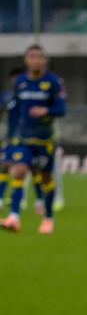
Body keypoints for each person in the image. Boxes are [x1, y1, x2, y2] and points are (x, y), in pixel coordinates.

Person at [1, 45, 67, 235]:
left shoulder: (54, 82)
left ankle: (48, 217)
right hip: (24, 138)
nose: (36, 60)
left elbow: (62, 109)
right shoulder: (20, 82)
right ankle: (14, 217)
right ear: (26, 60)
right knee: (19, 170)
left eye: (39, 57)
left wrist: (45, 111)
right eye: (32, 56)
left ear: (45, 61)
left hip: (45, 139)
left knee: (45, 177)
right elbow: (17, 109)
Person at [0, 68, 20, 212]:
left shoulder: (27, 96)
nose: (15, 81)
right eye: (13, 78)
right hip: (11, 136)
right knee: (5, 165)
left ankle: (41, 200)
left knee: (32, 170)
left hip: (28, 137)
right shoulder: (6, 96)